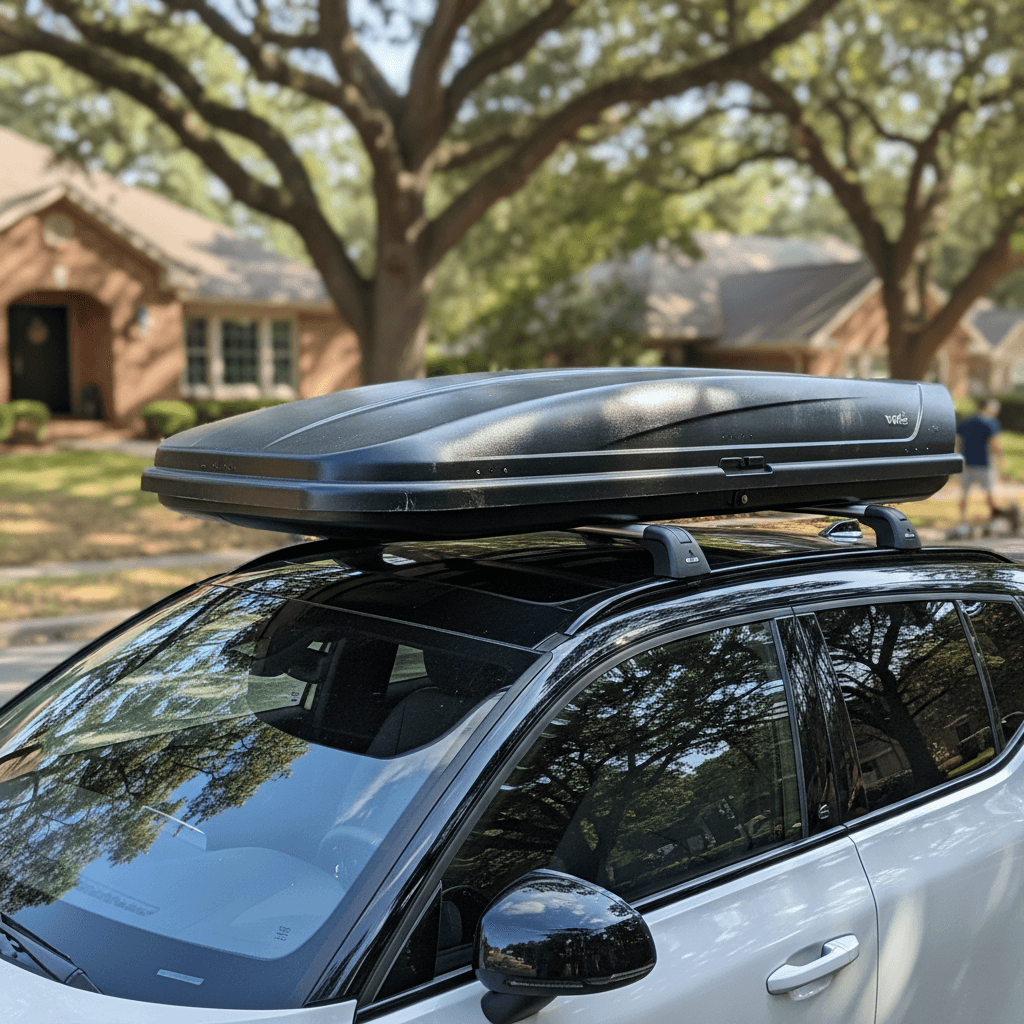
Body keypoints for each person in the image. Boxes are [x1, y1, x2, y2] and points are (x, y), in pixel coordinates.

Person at [957, 398, 1002, 526]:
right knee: (989, 492)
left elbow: (958, 441)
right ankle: (993, 519)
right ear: (989, 408)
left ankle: (962, 520)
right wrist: (1000, 461)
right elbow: (995, 444)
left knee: (964, 494)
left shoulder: (966, 422)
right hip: (984, 463)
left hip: (967, 462)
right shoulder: (991, 423)